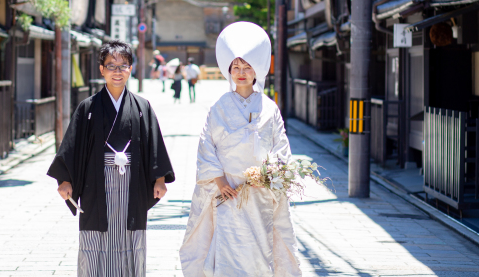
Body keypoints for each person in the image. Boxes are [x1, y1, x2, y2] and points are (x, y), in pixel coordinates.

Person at [179, 22, 301, 277]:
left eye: (247, 67)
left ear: (257, 70)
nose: (241, 72)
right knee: (227, 247)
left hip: (260, 193)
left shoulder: (269, 107)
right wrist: (220, 180)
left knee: (261, 250)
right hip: (227, 191)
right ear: (229, 71)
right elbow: (206, 145)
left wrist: (268, 176)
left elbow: (281, 147)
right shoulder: (219, 106)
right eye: (236, 67)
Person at [48, 40, 175, 276]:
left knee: (131, 236)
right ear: (101, 69)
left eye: (123, 65)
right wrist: (65, 179)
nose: (117, 71)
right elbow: (72, 146)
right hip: (97, 183)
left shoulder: (141, 106)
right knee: (95, 237)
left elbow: (153, 144)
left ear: (130, 69)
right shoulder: (88, 108)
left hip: (132, 183)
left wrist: (159, 178)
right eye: (111, 65)